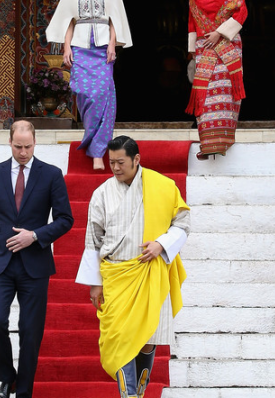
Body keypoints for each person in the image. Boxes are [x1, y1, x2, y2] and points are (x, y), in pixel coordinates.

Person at [76, 136, 191, 398]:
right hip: (116, 275)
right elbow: (93, 239)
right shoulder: (102, 193)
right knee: (122, 338)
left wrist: (161, 244)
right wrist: (95, 283)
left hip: (150, 273)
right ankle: (128, 395)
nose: (115, 168)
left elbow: (183, 223)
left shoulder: (162, 186)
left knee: (147, 339)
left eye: (121, 162)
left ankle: (139, 392)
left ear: (136, 159)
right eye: (111, 162)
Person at [0, 120, 74, 398]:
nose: (23, 152)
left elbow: (65, 220)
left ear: (35, 143)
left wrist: (36, 235)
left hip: (35, 265)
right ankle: (7, 378)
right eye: (18, 146)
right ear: (10, 143)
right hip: (1, 263)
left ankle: (23, 391)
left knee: (30, 330)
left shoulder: (51, 174)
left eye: (28, 146)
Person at [46, 0, 132, 170]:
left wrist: (113, 44)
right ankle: (92, 137)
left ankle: (97, 151)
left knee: (104, 94)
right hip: (80, 46)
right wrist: (67, 48)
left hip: (103, 46)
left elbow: (116, 18)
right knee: (84, 93)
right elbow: (68, 21)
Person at [186, 0, 247, 159]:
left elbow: (241, 12)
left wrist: (219, 33)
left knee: (225, 91)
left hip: (228, 43)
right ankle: (208, 143)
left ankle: (225, 140)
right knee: (206, 93)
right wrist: (193, 50)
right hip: (204, 46)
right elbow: (193, 19)